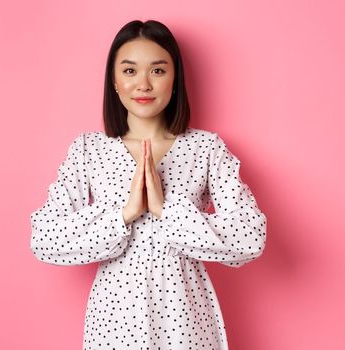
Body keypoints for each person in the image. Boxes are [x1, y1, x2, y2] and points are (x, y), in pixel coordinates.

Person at [29, 19, 267, 350]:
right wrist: (124, 214)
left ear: (175, 79)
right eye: (129, 71)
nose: (143, 84)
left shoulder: (206, 149)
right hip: (114, 322)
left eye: (157, 70)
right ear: (114, 80)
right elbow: (44, 239)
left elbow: (250, 237)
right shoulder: (88, 150)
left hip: (185, 319)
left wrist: (165, 210)